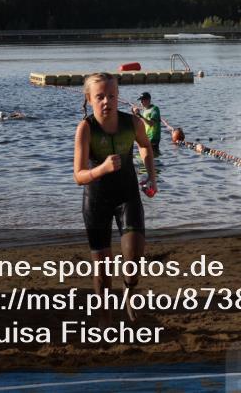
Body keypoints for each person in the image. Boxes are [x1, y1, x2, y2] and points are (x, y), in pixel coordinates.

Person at [74, 72, 157, 324]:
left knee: (133, 260)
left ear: (118, 96)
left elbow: (145, 146)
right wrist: (102, 169)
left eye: (111, 95)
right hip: (96, 201)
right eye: (100, 97)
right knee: (102, 271)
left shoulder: (132, 123)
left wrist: (151, 176)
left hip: (127, 196)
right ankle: (105, 316)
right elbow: (79, 175)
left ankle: (129, 291)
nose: (106, 101)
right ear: (89, 99)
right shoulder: (86, 128)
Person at [132, 92, 162, 157]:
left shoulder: (155, 109)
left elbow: (151, 123)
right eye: (140, 100)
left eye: (143, 100)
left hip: (153, 139)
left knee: (150, 158)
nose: (141, 102)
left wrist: (139, 115)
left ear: (148, 100)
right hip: (146, 139)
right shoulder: (144, 111)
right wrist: (134, 113)